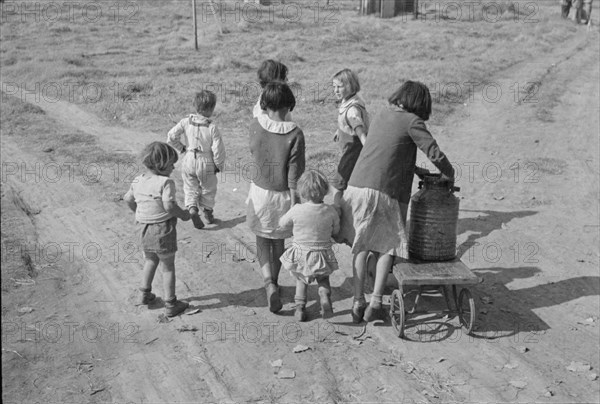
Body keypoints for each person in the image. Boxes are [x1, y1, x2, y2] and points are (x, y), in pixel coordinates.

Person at [338, 81, 454, 323]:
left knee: (361, 245)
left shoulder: (383, 113)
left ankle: (358, 301)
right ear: (420, 104)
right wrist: (449, 173)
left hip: (357, 187)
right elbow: (433, 151)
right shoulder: (412, 121)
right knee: (386, 246)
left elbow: (388, 154)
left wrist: (417, 171)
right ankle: (377, 302)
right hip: (383, 192)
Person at [246, 81, 305, 313]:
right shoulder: (295, 133)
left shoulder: (255, 125)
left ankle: (268, 281)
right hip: (282, 195)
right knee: (278, 240)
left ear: (265, 104)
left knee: (262, 238)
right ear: (289, 104)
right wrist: (296, 202)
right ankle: (277, 282)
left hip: (260, 193)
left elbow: (253, 150)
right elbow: (295, 173)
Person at [124, 142, 191, 317]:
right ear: (161, 165)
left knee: (150, 260)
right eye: (171, 164)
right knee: (168, 266)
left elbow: (128, 199)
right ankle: (171, 304)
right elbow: (169, 206)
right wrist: (183, 215)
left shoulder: (138, 180)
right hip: (162, 229)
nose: (173, 167)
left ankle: (144, 294)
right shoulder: (165, 182)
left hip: (143, 228)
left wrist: (139, 212)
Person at [279, 170, 340, 321]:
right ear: (324, 191)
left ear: (302, 192)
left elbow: (282, 224)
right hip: (323, 253)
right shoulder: (330, 210)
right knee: (323, 279)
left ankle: (300, 308)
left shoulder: (297, 209)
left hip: (301, 253)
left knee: (301, 279)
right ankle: (324, 295)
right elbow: (336, 230)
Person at [167, 90, 226, 229]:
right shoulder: (212, 127)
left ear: (195, 106)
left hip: (188, 158)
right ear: (211, 109)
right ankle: (207, 212)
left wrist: (181, 148)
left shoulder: (185, 122)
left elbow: (171, 136)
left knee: (190, 187)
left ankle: (192, 208)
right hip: (206, 161)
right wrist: (218, 165)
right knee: (208, 188)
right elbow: (218, 149)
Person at [331, 68, 370, 204]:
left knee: (338, 183)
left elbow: (359, 129)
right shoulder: (350, 100)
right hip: (348, 148)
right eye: (334, 86)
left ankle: (337, 210)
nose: (336, 90)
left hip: (352, 150)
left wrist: (367, 147)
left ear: (350, 86)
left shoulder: (352, 110)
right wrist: (339, 130)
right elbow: (346, 120)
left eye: (339, 87)